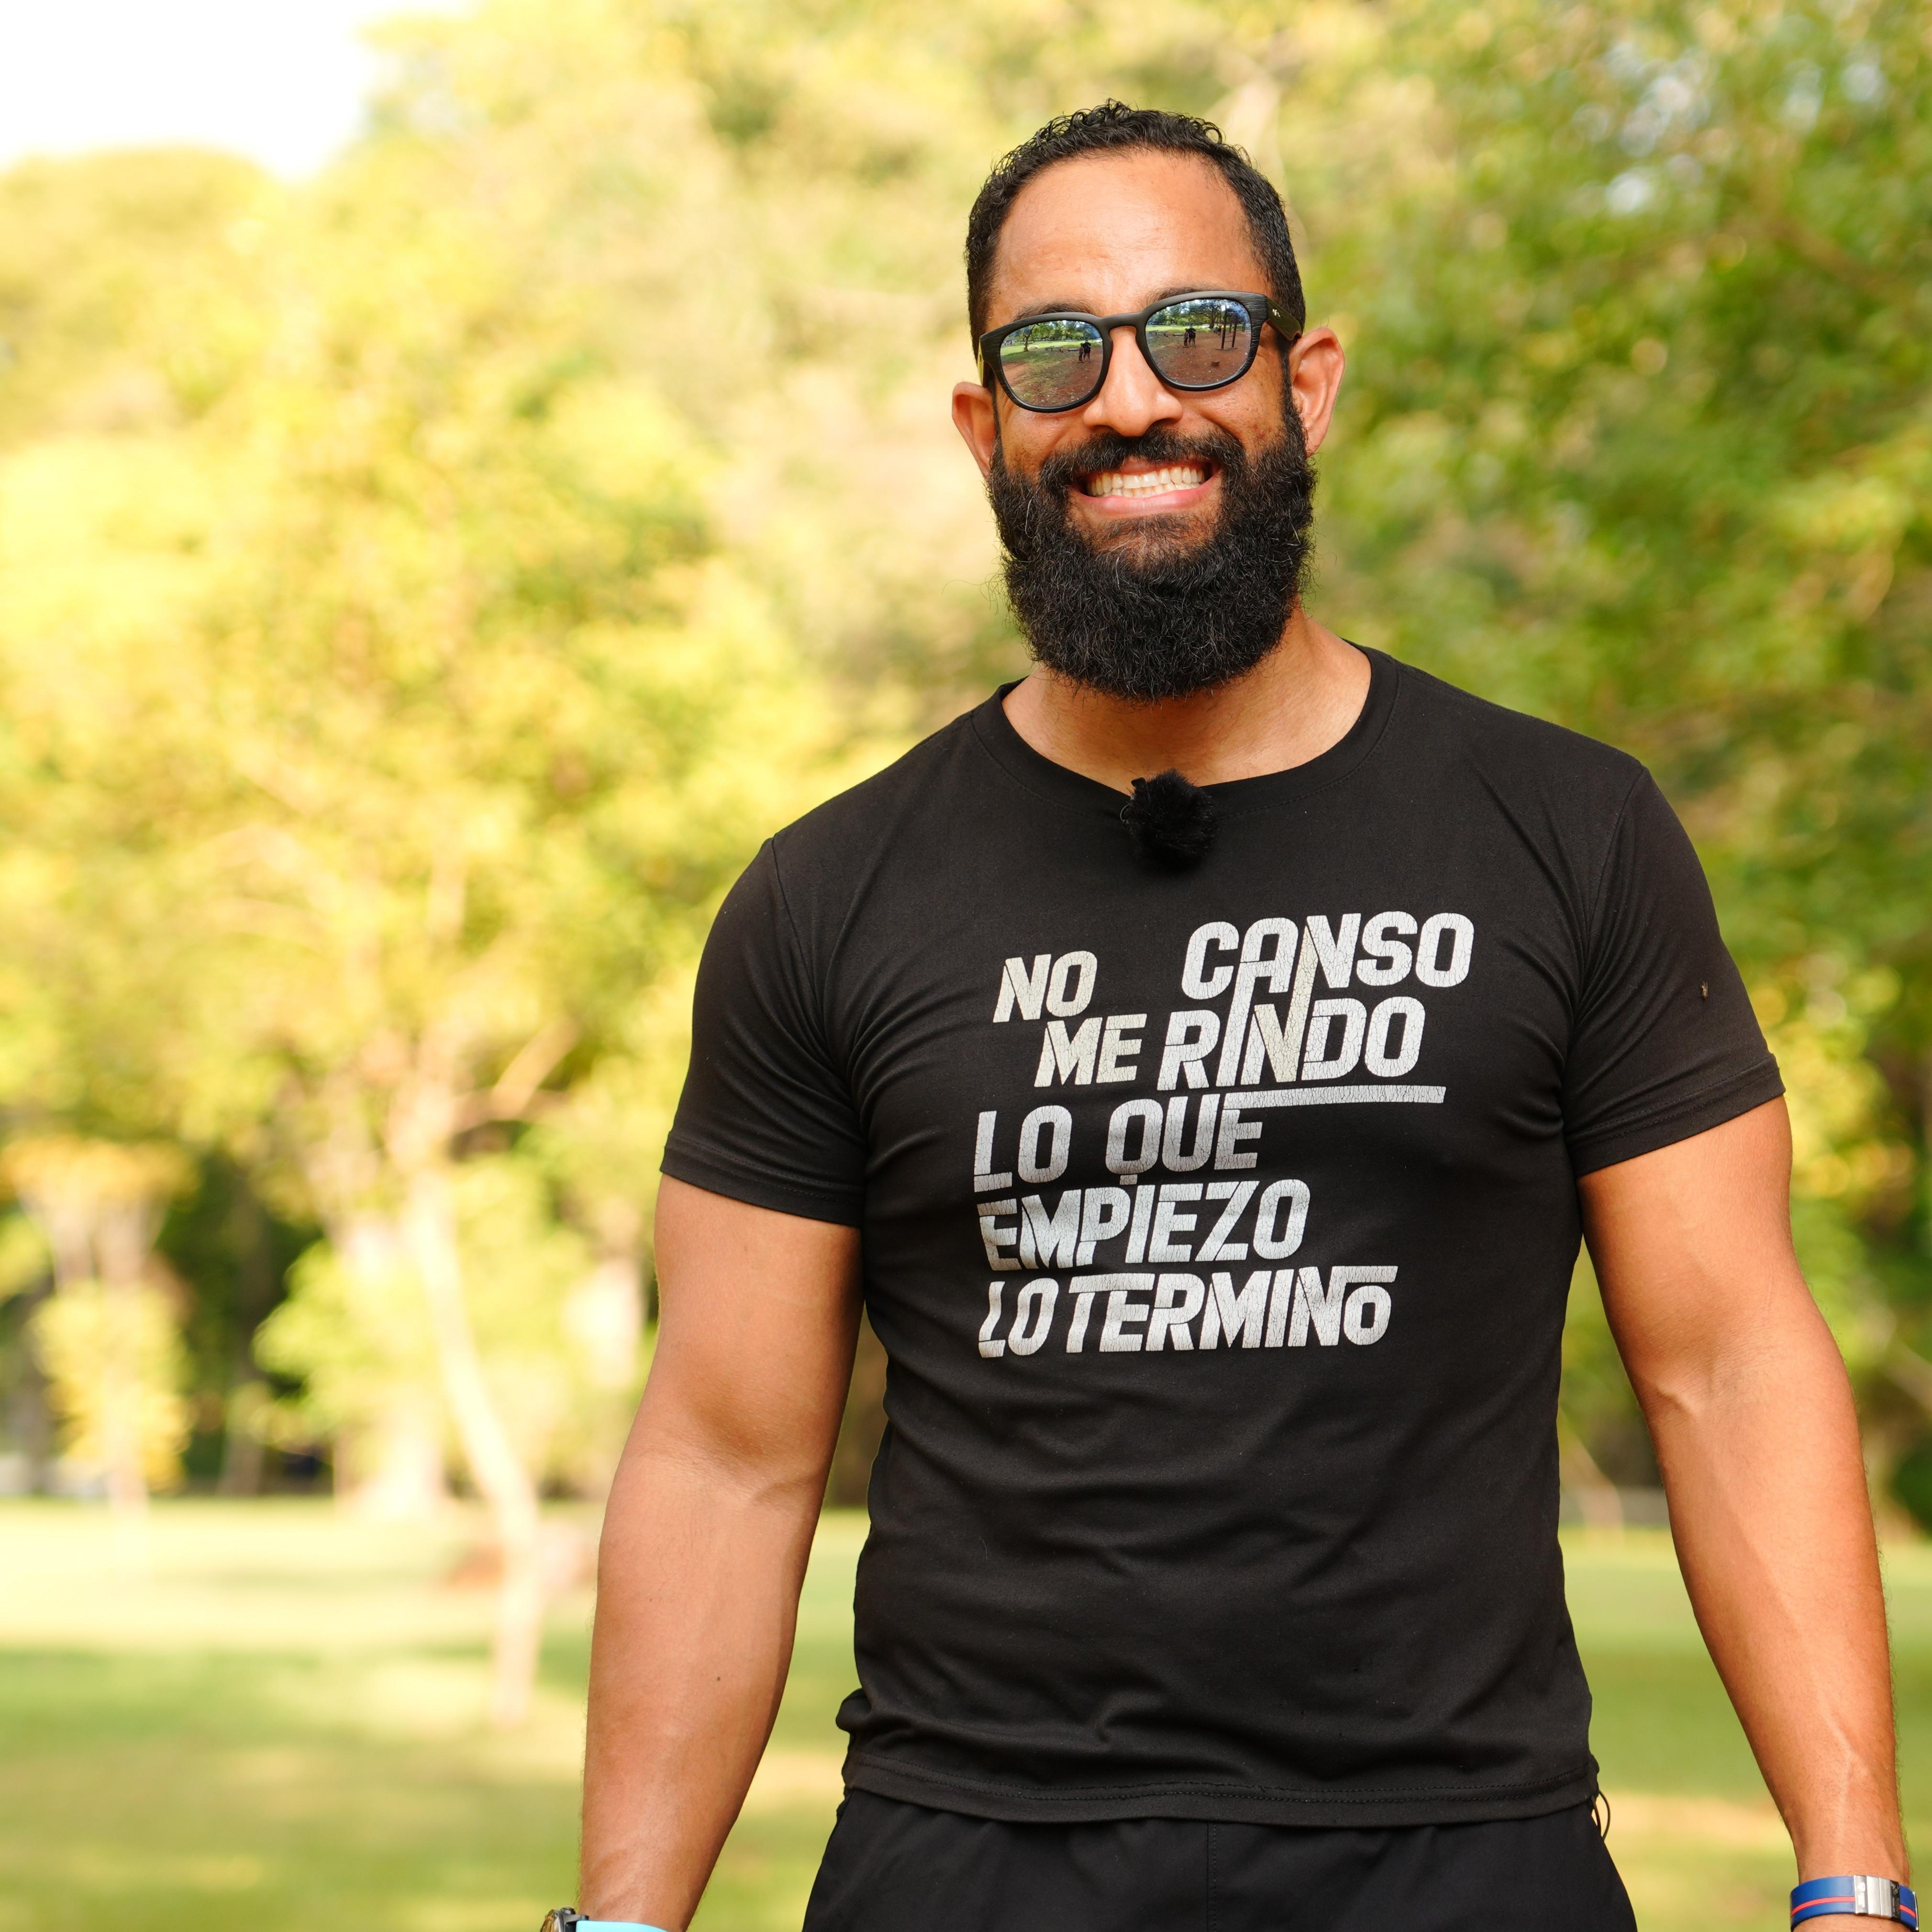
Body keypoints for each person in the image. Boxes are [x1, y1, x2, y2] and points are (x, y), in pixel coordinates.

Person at [566, 104, 1908, 1932]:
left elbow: (1732, 1361)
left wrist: (1855, 1888)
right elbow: (726, 1455)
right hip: (971, 1863)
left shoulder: (1570, 836)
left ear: (1307, 381)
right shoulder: (827, 899)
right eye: (1056, 351)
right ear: (985, 425)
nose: (1132, 401)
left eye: (1197, 333)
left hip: (1462, 1863)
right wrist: (621, 1924)